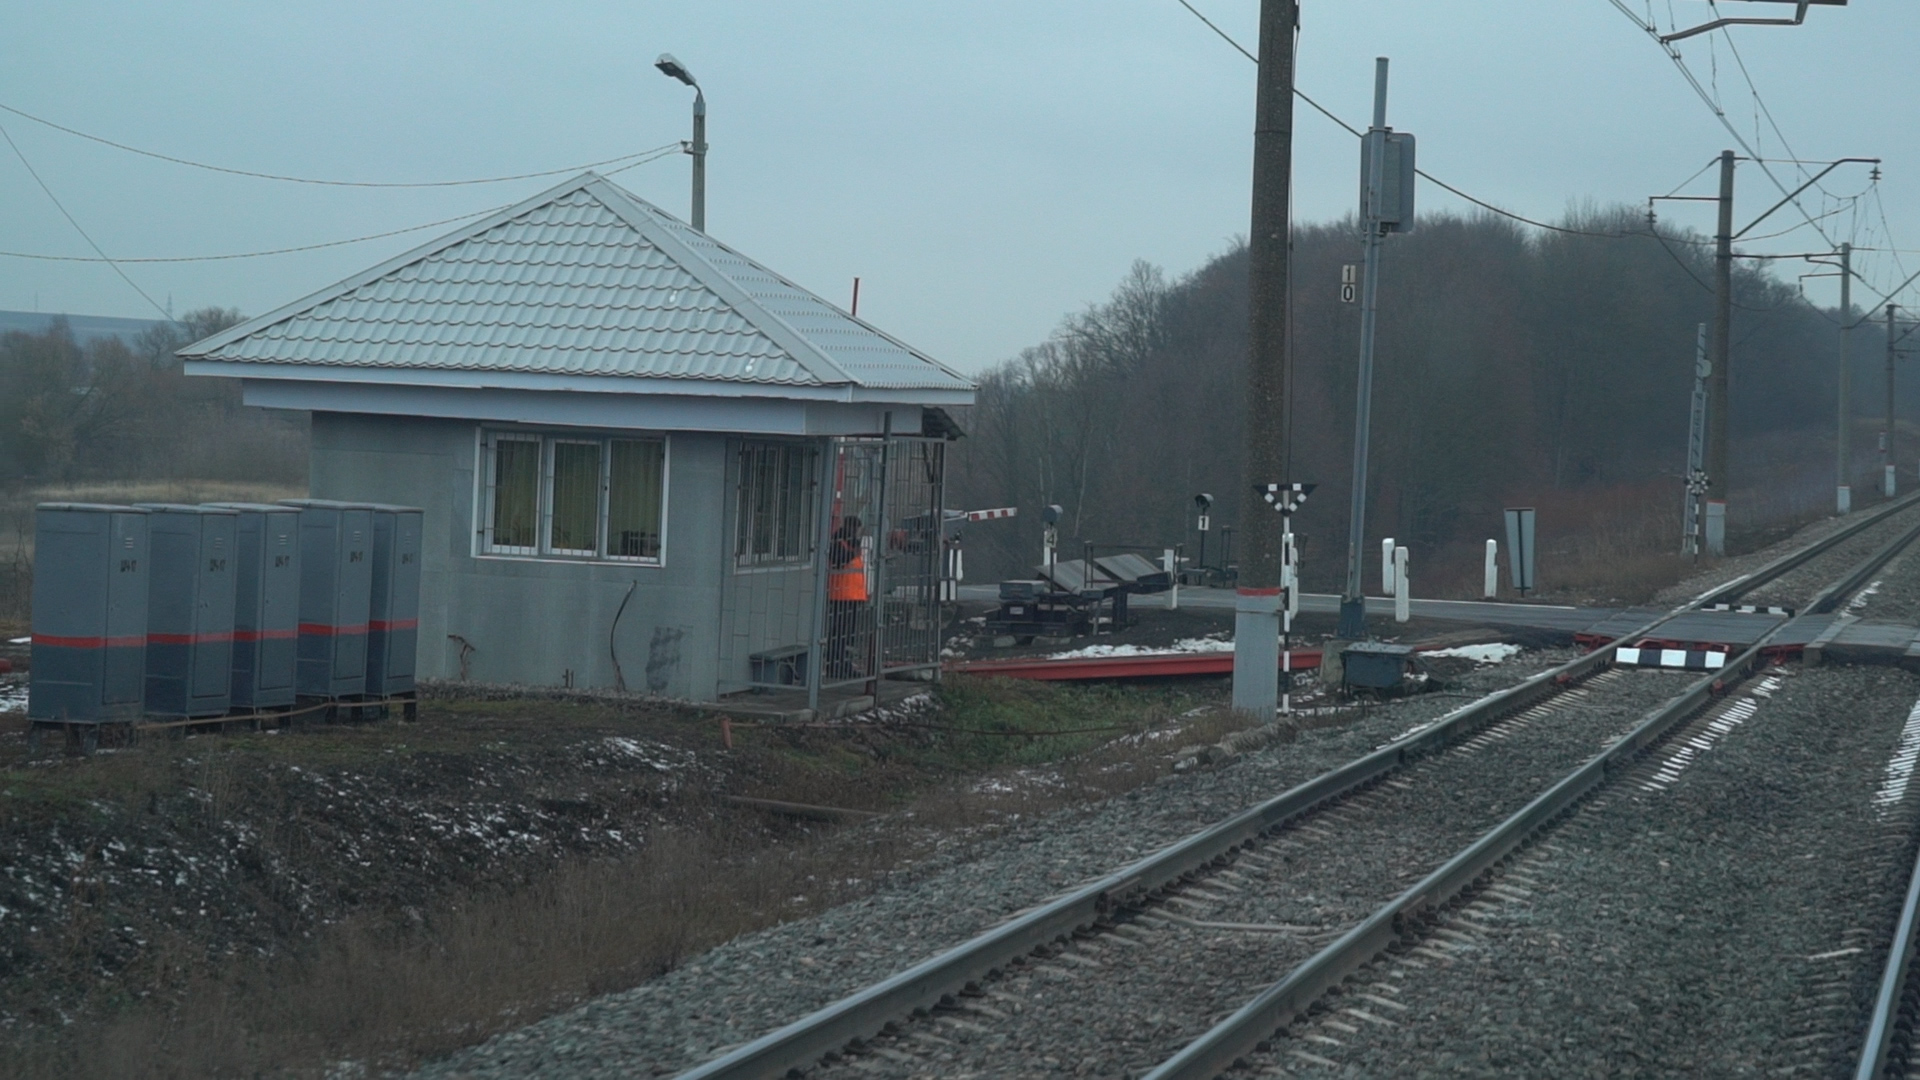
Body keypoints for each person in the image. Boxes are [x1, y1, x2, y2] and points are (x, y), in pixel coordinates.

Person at [827, 516, 867, 678]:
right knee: (839, 633)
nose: (855, 532)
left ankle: (844, 665)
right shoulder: (839, 541)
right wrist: (852, 554)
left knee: (847, 634)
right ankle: (835, 666)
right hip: (840, 594)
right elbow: (838, 560)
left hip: (852, 595)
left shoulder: (852, 543)